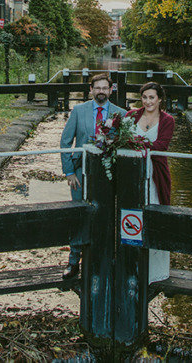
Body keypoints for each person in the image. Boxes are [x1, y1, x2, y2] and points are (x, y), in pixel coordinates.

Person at [59, 72, 125, 280]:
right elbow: (65, 142)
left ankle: (106, 259)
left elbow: (125, 143)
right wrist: (69, 172)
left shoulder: (120, 114)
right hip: (80, 172)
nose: (101, 92)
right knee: (79, 214)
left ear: (111, 90)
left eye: (105, 88)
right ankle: (73, 261)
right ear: (91, 90)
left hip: (108, 174)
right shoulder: (79, 111)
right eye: (97, 88)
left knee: (107, 215)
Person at [125, 81, 174, 283]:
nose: (147, 101)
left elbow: (161, 146)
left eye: (152, 97)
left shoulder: (167, 120)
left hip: (155, 174)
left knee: (154, 213)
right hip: (132, 173)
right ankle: (131, 265)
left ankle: (155, 271)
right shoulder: (131, 116)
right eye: (144, 97)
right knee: (131, 214)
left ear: (160, 99)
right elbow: (122, 138)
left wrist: (136, 143)